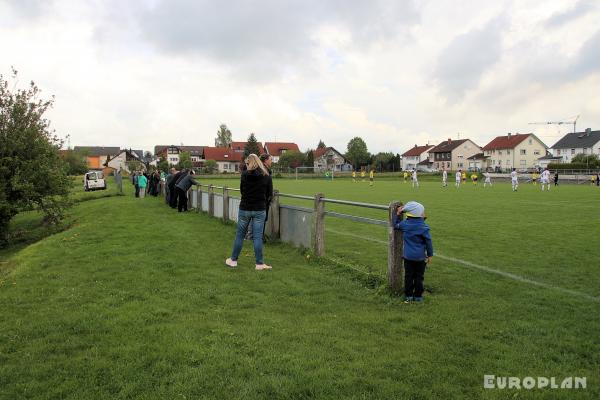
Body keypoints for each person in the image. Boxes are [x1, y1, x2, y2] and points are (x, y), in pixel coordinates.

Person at [226, 154, 273, 270]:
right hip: (260, 209)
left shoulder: (244, 175)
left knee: (240, 235)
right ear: (259, 162)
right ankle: (259, 263)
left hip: (245, 208)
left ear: (249, 162)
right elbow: (269, 194)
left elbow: (242, 190)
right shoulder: (266, 176)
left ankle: (233, 260)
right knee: (257, 237)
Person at [393, 201, 434, 303]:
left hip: (408, 257)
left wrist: (398, 214)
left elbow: (395, 225)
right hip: (420, 258)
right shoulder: (424, 227)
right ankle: (418, 297)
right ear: (420, 215)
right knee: (419, 277)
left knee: (408, 276)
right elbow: (428, 242)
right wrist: (430, 255)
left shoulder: (405, 224)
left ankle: (408, 296)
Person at [259, 153, 274, 242]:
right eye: (270, 159)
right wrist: (269, 196)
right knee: (262, 218)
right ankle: (260, 237)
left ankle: (260, 236)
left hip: (263, 198)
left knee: (261, 219)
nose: (271, 161)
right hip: (263, 199)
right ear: (265, 160)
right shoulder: (264, 170)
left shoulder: (264, 169)